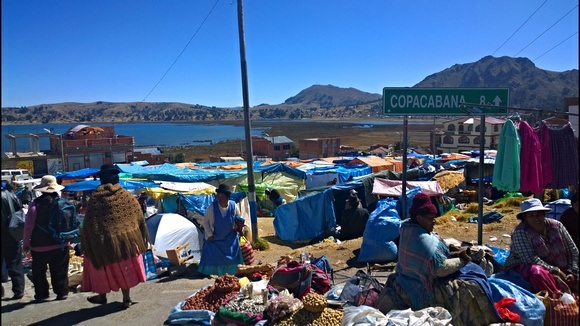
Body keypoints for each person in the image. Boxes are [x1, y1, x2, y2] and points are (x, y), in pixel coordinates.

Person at [377, 193, 501, 325]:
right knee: (472, 285)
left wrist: (453, 250)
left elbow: (435, 250)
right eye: (430, 218)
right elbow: (440, 268)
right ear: (419, 218)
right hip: (419, 287)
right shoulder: (421, 239)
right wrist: (463, 260)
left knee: (473, 270)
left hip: (406, 279)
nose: (434, 221)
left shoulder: (408, 229)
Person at [81, 164, 150, 308]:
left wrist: (90, 239)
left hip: (103, 243)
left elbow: (89, 222)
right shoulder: (125, 195)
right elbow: (138, 216)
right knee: (124, 269)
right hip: (124, 242)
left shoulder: (96, 198)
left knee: (102, 267)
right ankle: (126, 299)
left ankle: (102, 296)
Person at [504, 198, 579, 294]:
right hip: (528, 266)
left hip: (563, 268)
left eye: (539, 214)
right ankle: (557, 296)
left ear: (544, 214)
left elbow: (573, 250)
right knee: (537, 272)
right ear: (525, 217)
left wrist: (572, 271)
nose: (536, 218)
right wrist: (556, 271)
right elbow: (530, 258)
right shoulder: (520, 232)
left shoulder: (557, 226)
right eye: (531, 215)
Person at [22, 175, 69, 301]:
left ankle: (42, 294)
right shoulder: (62, 203)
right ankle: (62, 292)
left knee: (39, 272)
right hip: (61, 243)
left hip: (39, 245)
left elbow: (28, 227)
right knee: (60, 269)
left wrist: (26, 244)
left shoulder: (35, 205)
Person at [198, 184, 243, 276]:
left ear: (227, 197)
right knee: (212, 253)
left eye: (222, 197)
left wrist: (239, 227)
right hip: (215, 238)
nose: (220, 199)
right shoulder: (212, 207)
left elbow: (239, 218)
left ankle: (232, 272)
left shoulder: (233, 206)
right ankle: (212, 272)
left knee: (232, 255)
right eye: (218, 197)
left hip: (230, 238)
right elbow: (205, 221)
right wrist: (210, 235)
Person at [1, 183, 25, 300]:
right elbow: (20, 214)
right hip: (11, 234)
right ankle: (19, 290)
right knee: (15, 263)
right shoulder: (11, 196)